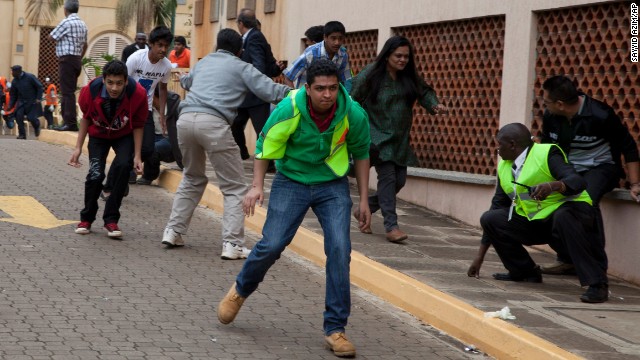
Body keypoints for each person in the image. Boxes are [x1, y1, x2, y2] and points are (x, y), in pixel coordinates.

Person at [217, 59, 371, 358]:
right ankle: (240, 290)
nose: (327, 94)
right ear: (308, 89)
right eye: (320, 89)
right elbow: (265, 146)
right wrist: (257, 185)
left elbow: (362, 153)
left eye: (332, 88)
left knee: (340, 249)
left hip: (332, 183)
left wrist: (364, 199)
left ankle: (335, 329)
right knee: (273, 244)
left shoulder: (352, 112)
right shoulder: (289, 109)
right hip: (292, 180)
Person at [160, 29, 291, 259]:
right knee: (234, 187)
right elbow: (270, 91)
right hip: (214, 123)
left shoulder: (204, 62)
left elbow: (188, 81)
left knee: (192, 177)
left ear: (216, 46)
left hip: (186, 120)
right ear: (240, 50)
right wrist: (300, 94)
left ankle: (173, 231)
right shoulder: (242, 67)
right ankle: (232, 244)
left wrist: (190, 79)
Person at [469, 123, 609, 303]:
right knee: (491, 218)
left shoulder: (546, 153)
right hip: (538, 222)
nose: (497, 149)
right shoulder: (505, 166)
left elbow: (577, 181)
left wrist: (552, 186)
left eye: (499, 144)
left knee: (563, 216)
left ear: (512, 144)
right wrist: (479, 257)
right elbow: (497, 205)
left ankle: (597, 284)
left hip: (572, 219)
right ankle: (525, 272)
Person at [538, 75, 640, 274]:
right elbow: (547, 147)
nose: (545, 106)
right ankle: (567, 259)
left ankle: (596, 268)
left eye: (547, 102)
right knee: (548, 208)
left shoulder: (600, 115)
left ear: (560, 104)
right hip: (568, 169)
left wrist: (635, 183)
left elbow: (628, 146)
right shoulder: (551, 116)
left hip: (601, 167)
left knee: (586, 201)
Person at [350, 35, 447, 242]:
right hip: (376, 135)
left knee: (399, 181)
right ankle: (391, 227)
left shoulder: (408, 77)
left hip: (400, 139)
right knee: (388, 179)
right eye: (398, 56)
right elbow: (353, 98)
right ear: (387, 56)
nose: (402, 60)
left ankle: (365, 209)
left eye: (406, 57)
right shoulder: (371, 74)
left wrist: (434, 105)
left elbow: (425, 93)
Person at [68, 60, 148, 239]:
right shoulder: (90, 91)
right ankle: (86, 218)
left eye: (119, 83)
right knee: (95, 175)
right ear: (103, 80)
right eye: (110, 82)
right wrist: (78, 148)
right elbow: (86, 118)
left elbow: (139, 125)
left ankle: (111, 219)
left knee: (122, 168)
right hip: (98, 135)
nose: (114, 88)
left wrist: (137, 155)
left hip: (124, 135)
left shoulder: (138, 94)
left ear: (126, 81)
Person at [231, 8, 284, 160]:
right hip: (246, 95)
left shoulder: (254, 38)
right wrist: (276, 68)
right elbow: (269, 64)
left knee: (262, 130)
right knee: (236, 124)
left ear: (241, 23)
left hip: (256, 95)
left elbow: (259, 65)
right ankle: (242, 153)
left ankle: (270, 162)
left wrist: (251, 79)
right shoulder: (250, 37)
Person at [49, 0, 87, 132]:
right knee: (68, 91)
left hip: (67, 60)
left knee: (67, 92)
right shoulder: (83, 24)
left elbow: (51, 36)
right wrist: (79, 57)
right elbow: (85, 44)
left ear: (65, 9)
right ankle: (67, 121)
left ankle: (70, 123)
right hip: (76, 60)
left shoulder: (66, 22)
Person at [282, 21, 352, 92]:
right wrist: (294, 97)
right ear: (325, 37)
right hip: (306, 99)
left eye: (340, 39)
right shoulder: (311, 54)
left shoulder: (343, 55)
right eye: (333, 38)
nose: (337, 42)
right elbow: (288, 76)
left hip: (329, 99)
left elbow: (346, 80)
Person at [136, 88, 182, 185]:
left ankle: (148, 176)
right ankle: (130, 174)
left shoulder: (175, 106)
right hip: (155, 136)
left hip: (172, 140)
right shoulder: (148, 108)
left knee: (154, 148)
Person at [8, 65, 43, 140]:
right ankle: (22, 135)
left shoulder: (30, 77)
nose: (12, 73)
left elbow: (39, 87)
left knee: (32, 118)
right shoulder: (14, 81)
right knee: (18, 116)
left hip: (32, 101)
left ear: (18, 71)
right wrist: (10, 105)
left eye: (13, 71)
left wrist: (38, 98)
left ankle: (37, 126)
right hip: (21, 102)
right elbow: (13, 95)